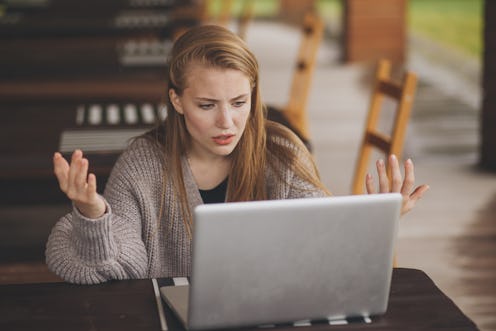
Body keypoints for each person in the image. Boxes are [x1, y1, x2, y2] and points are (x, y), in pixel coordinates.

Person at [46, 25, 429, 284]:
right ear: (177, 100)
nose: (227, 122)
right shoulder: (143, 164)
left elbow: (323, 251)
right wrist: (94, 214)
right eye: (207, 105)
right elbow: (117, 266)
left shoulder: (280, 154)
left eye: (240, 102)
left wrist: (374, 222)